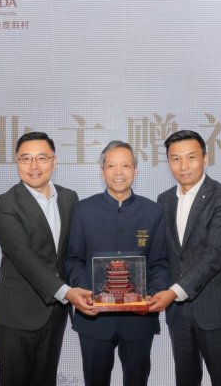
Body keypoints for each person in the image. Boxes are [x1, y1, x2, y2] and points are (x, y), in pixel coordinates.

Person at [0, 131, 95, 386]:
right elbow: (24, 258)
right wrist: (68, 293)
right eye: (26, 159)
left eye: (42, 158)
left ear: (54, 161)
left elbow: (73, 254)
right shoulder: (4, 205)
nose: (34, 166)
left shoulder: (69, 198)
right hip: (17, 315)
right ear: (17, 162)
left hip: (55, 313)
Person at [148, 130, 221, 386]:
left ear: (205, 158)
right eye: (175, 159)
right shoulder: (164, 200)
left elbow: (215, 254)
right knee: (185, 380)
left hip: (218, 310)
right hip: (179, 314)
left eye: (191, 157)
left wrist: (172, 292)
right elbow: (163, 254)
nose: (183, 166)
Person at [65, 140, 169, 386]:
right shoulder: (83, 210)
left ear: (136, 170)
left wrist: (151, 294)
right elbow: (73, 260)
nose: (119, 172)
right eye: (111, 165)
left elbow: (160, 262)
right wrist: (87, 293)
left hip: (139, 319)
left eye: (126, 165)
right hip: (93, 318)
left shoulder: (152, 211)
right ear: (102, 171)